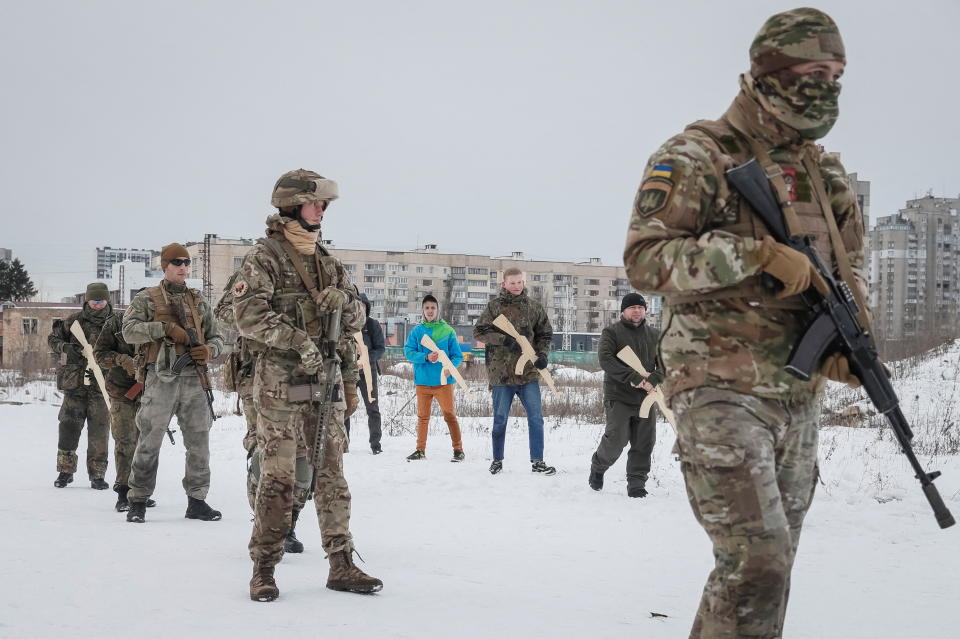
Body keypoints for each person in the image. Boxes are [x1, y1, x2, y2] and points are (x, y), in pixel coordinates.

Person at [622, 8, 866, 637]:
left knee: (766, 570)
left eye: (837, 74)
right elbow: (645, 260)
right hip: (717, 388)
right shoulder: (698, 155)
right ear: (771, 71)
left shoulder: (826, 174)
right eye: (815, 71)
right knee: (755, 561)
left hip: (796, 393)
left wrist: (848, 341)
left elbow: (848, 270)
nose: (828, 85)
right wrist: (752, 254)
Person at [233, 168, 381, 602]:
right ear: (292, 205)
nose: (322, 211)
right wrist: (297, 341)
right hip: (280, 382)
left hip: (326, 379)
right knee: (280, 478)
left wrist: (347, 304)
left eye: (324, 205)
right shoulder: (266, 258)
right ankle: (264, 567)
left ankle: (341, 562)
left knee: (331, 474)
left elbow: (358, 317)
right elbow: (247, 314)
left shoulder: (326, 262)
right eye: (317, 203)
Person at [121, 243, 224, 524]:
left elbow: (219, 336)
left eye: (186, 262)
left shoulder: (199, 300)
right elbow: (129, 331)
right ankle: (138, 500)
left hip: (194, 378)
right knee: (149, 440)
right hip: (161, 379)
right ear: (164, 266)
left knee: (199, 441)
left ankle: (197, 500)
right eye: (176, 262)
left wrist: (210, 350)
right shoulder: (148, 299)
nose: (183, 267)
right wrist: (164, 328)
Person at [215, 269, 308, 555]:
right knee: (263, 446)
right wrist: (263, 320)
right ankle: (266, 523)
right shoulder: (252, 273)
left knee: (302, 448)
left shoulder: (311, 271)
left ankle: (289, 522)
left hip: (299, 375)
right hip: (255, 375)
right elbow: (223, 312)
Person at [473, 267, 555, 475]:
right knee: (500, 419)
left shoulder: (534, 307)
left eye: (520, 282)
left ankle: (538, 461)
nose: (517, 286)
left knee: (536, 418)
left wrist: (543, 355)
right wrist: (504, 340)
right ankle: (497, 459)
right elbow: (479, 332)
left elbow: (545, 334)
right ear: (504, 284)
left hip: (528, 373)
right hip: (501, 373)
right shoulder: (494, 307)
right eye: (512, 283)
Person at [588, 293, 663, 498]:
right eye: (632, 307)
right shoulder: (611, 332)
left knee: (644, 442)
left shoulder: (655, 335)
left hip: (646, 398)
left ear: (645, 310)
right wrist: (632, 376)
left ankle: (636, 484)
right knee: (616, 440)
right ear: (623, 311)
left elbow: (667, 362)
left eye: (640, 307)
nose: (637, 310)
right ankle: (599, 466)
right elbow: (605, 359)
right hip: (619, 395)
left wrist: (655, 378)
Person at [47, 282, 113, 490]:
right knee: (68, 427)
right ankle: (65, 472)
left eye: (101, 300)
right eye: (94, 300)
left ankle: (97, 475)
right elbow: (53, 339)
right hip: (75, 385)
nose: (97, 304)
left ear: (107, 301)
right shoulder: (74, 321)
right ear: (87, 300)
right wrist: (65, 347)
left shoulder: (116, 322)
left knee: (99, 432)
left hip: (103, 386)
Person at [93, 299, 156, 511]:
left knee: (146, 444)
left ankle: (141, 491)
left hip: (151, 392)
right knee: (125, 441)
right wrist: (120, 359)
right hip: (122, 392)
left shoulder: (159, 323)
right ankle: (123, 492)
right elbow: (99, 355)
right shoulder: (115, 323)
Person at [403, 294, 464, 462]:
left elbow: (457, 356)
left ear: (438, 310)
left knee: (450, 415)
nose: (430, 311)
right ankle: (420, 450)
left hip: (443, 382)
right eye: (427, 308)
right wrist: (425, 357)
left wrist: (450, 368)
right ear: (423, 310)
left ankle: (458, 450)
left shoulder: (448, 331)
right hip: (422, 381)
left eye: (433, 308)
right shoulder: (417, 331)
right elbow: (408, 352)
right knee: (423, 417)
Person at [345, 293, 385, 454]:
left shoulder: (372, 325)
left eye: (363, 306)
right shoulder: (345, 325)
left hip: (368, 372)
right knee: (345, 407)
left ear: (367, 308)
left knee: (372, 408)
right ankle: (343, 444)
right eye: (357, 306)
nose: (359, 309)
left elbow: (380, 349)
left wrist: (366, 358)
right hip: (349, 371)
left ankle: (376, 444)